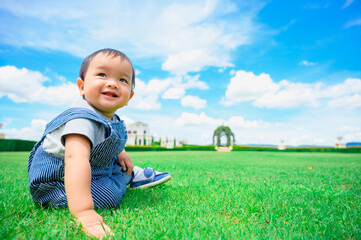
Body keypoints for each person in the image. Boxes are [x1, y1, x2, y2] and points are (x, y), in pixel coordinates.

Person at [28, 48, 171, 238]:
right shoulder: (82, 119)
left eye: (122, 80)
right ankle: (128, 177)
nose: (112, 83)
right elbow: (75, 159)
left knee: (108, 166)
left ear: (130, 96)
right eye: (102, 75)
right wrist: (84, 212)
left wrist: (121, 152)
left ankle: (126, 170)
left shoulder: (109, 117)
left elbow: (106, 142)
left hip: (89, 169)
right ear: (82, 86)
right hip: (57, 183)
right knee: (108, 196)